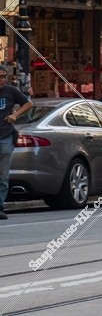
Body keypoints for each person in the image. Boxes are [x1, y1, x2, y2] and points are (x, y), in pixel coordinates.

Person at [0, 64, 32, 220]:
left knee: (3, 175)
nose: (2, 80)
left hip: (5, 137)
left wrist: (15, 115)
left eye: (4, 77)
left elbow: (29, 103)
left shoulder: (11, 91)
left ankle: (0, 207)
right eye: (0, 77)